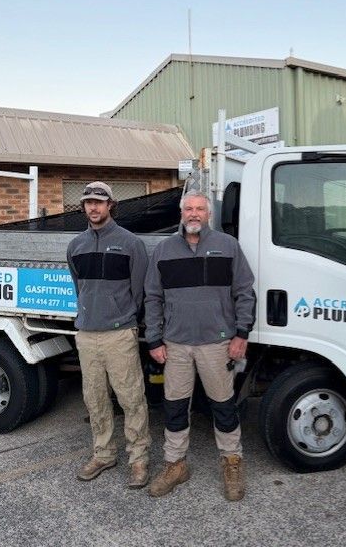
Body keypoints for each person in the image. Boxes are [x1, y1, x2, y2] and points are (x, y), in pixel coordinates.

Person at [145, 189, 256, 501]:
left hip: (217, 344)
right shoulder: (164, 250)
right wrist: (154, 338)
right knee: (175, 408)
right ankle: (175, 465)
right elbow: (152, 297)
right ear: (181, 213)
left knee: (223, 406)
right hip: (176, 345)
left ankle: (232, 462)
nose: (194, 214)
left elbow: (245, 292)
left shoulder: (227, 246)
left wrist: (241, 334)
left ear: (209, 214)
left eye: (200, 209)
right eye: (188, 209)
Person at [67, 181, 151, 488]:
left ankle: (139, 460)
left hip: (119, 335)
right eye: (88, 202)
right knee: (95, 400)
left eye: (99, 202)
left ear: (111, 205)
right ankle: (103, 455)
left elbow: (139, 291)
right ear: (84, 207)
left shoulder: (130, 244)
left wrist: (123, 317)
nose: (93, 207)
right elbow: (81, 288)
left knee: (131, 399)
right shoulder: (75, 246)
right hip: (87, 335)